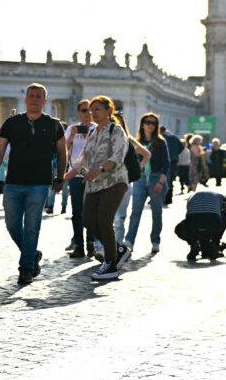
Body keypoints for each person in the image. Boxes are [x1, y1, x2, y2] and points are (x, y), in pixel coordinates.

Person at [0, 83, 67, 286]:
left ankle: (26, 268)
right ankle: (32, 254)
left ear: (45, 100)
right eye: (32, 95)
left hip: (39, 183)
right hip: (12, 182)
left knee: (32, 227)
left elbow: (63, 153)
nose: (35, 99)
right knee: (12, 225)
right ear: (25, 99)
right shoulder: (12, 123)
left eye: (39, 96)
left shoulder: (54, 124)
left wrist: (60, 177)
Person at [65, 96, 135, 281]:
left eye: (97, 109)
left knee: (104, 219)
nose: (92, 113)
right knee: (88, 220)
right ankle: (118, 249)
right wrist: (68, 174)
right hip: (94, 184)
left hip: (114, 181)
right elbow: (83, 158)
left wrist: (101, 168)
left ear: (108, 111)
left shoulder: (116, 129)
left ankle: (111, 264)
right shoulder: (93, 133)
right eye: (90, 110)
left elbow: (119, 155)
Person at [124, 112, 171, 255]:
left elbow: (166, 163)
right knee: (135, 211)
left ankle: (155, 241)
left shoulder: (161, 142)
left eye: (153, 123)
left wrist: (161, 182)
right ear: (142, 124)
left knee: (156, 212)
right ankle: (129, 241)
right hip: (140, 179)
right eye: (147, 122)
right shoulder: (137, 142)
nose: (150, 125)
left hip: (157, 179)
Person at [63, 100, 95, 259]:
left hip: (93, 175)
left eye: (90, 110)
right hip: (75, 175)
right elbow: (64, 150)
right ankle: (78, 245)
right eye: (84, 110)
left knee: (90, 211)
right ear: (78, 113)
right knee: (77, 212)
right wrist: (73, 136)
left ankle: (91, 242)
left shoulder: (97, 129)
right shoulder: (71, 128)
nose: (87, 113)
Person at [175, 189, 226, 262]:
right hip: (212, 225)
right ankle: (214, 244)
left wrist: (193, 240)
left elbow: (189, 217)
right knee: (224, 215)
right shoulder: (223, 199)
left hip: (193, 225)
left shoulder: (192, 197)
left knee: (179, 228)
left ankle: (195, 244)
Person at [159, 125, 183, 205]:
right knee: (171, 180)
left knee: (162, 179)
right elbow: (182, 147)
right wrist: (175, 153)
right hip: (174, 161)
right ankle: (169, 198)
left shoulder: (160, 138)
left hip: (163, 161)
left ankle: (162, 197)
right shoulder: (174, 137)